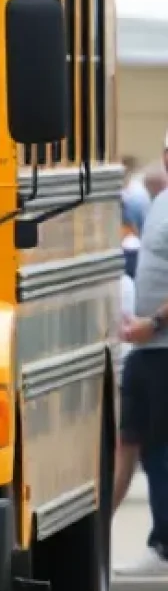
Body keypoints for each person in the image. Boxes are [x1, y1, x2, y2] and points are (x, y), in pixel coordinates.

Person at [117, 181, 168, 561]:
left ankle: (163, 542)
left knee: (159, 450)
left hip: (161, 344)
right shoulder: (161, 202)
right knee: (133, 445)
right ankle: (96, 535)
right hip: (146, 348)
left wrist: (154, 322)